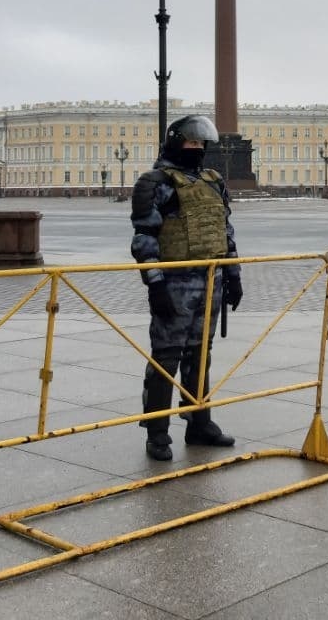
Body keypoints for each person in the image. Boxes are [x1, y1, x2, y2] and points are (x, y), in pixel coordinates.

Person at [130, 115, 243, 461]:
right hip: (175, 285)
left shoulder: (212, 181)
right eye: (190, 143)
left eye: (200, 144)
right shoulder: (156, 183)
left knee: (200, 355)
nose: (196, 149)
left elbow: (225, 231)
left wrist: (234, 274)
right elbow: (144, 238)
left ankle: (199, 422)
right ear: (175, 143)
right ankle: (157, 432)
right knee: (166, 359)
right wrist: (155, 284)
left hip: (211, 282)